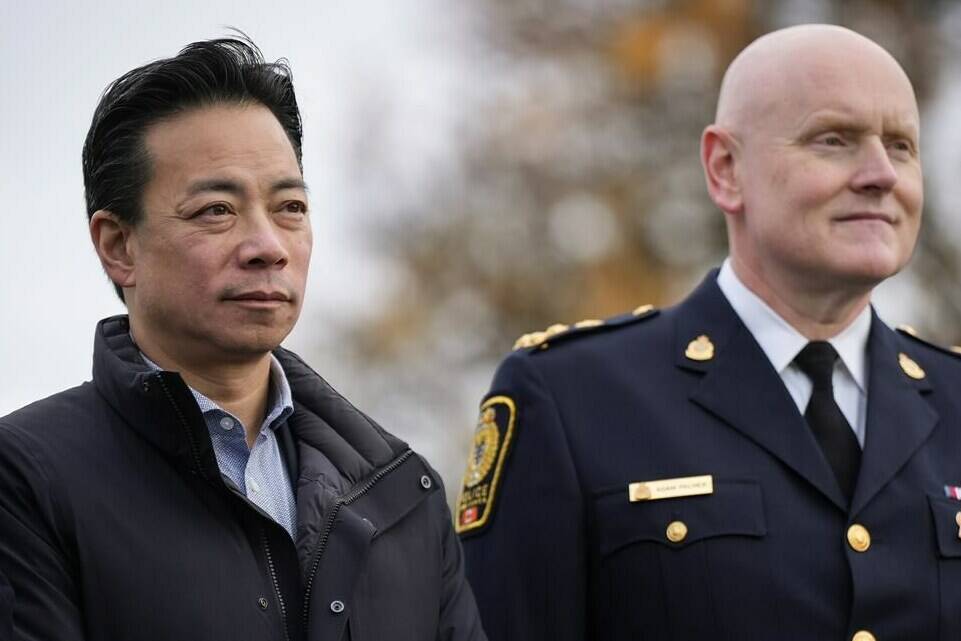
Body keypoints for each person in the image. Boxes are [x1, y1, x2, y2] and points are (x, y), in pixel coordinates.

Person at [456, 24, 961, 641]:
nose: (881, 173)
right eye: (835, 140)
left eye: (902, 146)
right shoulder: (573, 399)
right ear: (726, 169)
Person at [0, 37, 485, 641]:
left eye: (290, 207)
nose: (268, 247)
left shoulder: (400, 495)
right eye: (217, 211)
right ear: (119, 245)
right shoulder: (28, 478)